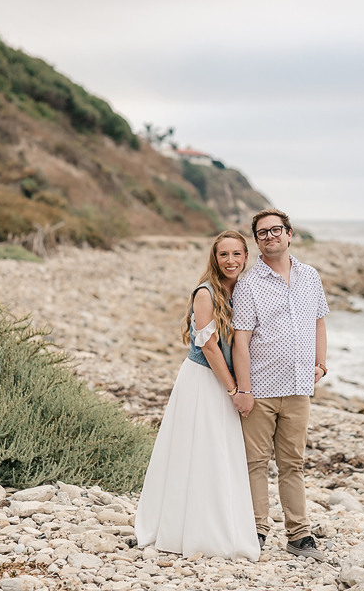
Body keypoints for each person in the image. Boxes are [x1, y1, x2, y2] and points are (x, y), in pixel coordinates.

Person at [135, 230, 260, 562]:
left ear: (246, 257)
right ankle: (185, 529)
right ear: (214, 259)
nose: (230, 260)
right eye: (224, 255)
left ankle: (221, 524)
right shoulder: (206, 293)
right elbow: (209, 345)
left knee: (220, 452)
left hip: (226, 381)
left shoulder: (244, 292)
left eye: (236, 254)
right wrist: (234, 389)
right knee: (198, 451)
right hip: (204, 379)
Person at [231, 209, 330, 561]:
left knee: (293, 463)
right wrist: (244, 389)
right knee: (255, 463)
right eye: (262, 233)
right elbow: (240, 341)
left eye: (276, 230)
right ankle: (255, 530)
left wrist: (320, 364)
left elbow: (319, 321)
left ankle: (299, 535)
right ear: (257, 241)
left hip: (300, 387)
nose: (270, 236)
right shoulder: (248, 284)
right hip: (260, 390)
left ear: (289, 234)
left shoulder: (310, 276)